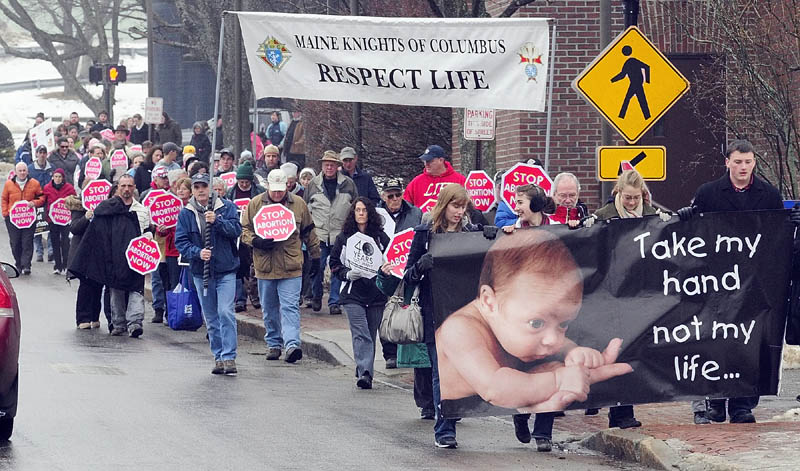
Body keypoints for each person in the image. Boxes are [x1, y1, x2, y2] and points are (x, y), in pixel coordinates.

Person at [435, 229, 634, 424]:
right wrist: (557, 380)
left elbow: (557, 343)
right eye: (536, 323)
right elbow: (495, 389)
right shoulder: (459, 330)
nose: (554, 340)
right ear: (488, 302)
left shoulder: (519, 322)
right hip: (456, 408)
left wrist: (573, 352)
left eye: (563, 324)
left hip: (505, 402)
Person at [678, 139, 783, 425]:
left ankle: (742, 404)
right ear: (727, 162)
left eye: (748, 162)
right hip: (717, 280)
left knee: (748, 341)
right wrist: (687, 217)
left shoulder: (769, 195)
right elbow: (692, 237)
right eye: (737, 161)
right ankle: (716, 400)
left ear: (754, 164)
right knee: (717, 340)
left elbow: (776, 239)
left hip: (753, 282)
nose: (743, 167)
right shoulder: (709, 193)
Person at [580, 169, 671, 430]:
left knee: (634, 352)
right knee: (618, 351)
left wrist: (669, 221)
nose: (631, 203)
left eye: (635, 198)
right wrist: (586, 227)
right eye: (626, 198)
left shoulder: (653, 217)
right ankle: (618, 411)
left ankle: (626, 408)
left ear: (643, 195)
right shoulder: (604, 216)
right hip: (612, 295)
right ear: (617, 194)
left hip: (641, 295)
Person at [402, 183, 480, 449]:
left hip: (462, 313)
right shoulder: (425, 233)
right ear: (444, 205)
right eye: (455, 206)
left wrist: (490, 238)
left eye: (463, 207)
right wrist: (421, 266)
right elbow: (408, 276)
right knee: (440, 372)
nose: (459, 212)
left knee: (459, 371)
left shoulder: (470, 233)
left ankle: (452, 418)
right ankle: (444, 428)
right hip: (434, 311)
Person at [241, 169, 321, 363]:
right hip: (265, 266)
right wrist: (255, 241)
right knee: (269, 308)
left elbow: (309, 231)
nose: (277, 194)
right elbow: (244, 229)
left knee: (290, 307)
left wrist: (316, 256)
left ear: (287, 186)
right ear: (268, 186)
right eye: (274, 190)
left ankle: (292, 345)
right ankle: (274, 343)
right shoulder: (255, 204)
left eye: (280, 190)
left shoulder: (299, 204)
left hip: (291, 264)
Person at [175, 173, 242, 375]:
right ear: (192, 190)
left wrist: (218, 222)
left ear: (211, 188)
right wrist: (197, 253)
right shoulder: (186, 213)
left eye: (204, 186)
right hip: (200, 272)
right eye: (197, 187)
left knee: (225, 312)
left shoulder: (226, 207)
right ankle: (219, 355)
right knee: (211, 317)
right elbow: (181, 242)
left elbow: (236, 230)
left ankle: (230, 357)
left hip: (225, 269)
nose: (201, 190)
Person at [69, 174, 151, 338]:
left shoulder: (141, 210)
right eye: (123, 186)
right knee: (116, 292)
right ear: (118, 187)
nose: (126, 189)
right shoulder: (107, 208)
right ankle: (118, 323)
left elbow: (147, 229)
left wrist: (149, 235)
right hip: (114, 259)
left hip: (136, 259)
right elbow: (98, 234)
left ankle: (135, 323)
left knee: (136, 290)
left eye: (129, 186)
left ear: (134, 187)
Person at [329, 197, 390, 389]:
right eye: (357, 210)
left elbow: (392, 260)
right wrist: (347, 274)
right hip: (352, 294)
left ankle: (363, 366)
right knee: (361, 333)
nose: (361, 213)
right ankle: (365, 373)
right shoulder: (344, 238)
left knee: (370, 334)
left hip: (376, 294)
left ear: (370, 213)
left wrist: (386, 271)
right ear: (353, 213)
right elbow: (334, 263)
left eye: (364, 210)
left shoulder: (381, 238)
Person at [377, 177, 424, 394]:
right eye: (390, 195)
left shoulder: (415, 213)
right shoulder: (378, 216)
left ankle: (405, 346)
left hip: (408, 264)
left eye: (398, 194)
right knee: (388, 307)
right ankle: (390, 352)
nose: (395, 199)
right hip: (387, 265)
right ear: (383, 197)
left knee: (406, 308)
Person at [304, 150, 358, 315]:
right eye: (326, 164)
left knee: (336, 268)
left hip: (340, 234)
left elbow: (356, 207)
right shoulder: (313, 184)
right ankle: (316, 295)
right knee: (317, 267)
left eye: (332, 164)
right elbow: (305, 209)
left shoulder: (348, 184)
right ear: (322, 166)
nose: (329, 167)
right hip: (318, 233)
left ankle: (335, 301)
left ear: (338, 166)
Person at [66, 185, 110, 330]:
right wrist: (86, 217)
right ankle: (82, 318)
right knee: (85, 285)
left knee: (98, 284)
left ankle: (94, 316)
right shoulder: (79, 209)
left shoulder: (106, 208)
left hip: (99, 252)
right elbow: (74, 228)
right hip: (83, 252)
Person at [226, 162, 265, 313]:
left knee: (255, 265)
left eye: (246, 182)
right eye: (241, 181)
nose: (243, 184)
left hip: (256, 232)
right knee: (240, 267)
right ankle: (240, 299)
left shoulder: (259, 191)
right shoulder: (231, 193)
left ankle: (255, 295)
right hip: (238, 234)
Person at [2, 162, 46, 275]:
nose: (22, 173)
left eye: (24, 170)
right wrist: (6, 213)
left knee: (27, 241)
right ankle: (18, 263)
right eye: (20, 171)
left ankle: (26, 265)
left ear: (27, 171)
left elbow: (42, 197)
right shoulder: (8, 184)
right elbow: (4, 199)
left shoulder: (34, 183)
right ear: (16, 172)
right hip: (12, 219)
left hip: (29, 219)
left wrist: (34, 203)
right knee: (15, 242)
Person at [42, 169, 75, 275]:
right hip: (52, 219)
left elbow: (74, 200)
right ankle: (57, 265)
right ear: (53, 177)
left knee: (65, 242)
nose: (57, 179)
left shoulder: (69, 188)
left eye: (60, 177)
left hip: (65, 220)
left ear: (63, 178)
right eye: (56, 176)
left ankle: (66, 265)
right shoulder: (47, 188)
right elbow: (43, 200)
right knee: (55, 242)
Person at [28, 144, 55, 263]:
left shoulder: (52, 167)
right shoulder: (30, 168)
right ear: (36, 154)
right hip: (36, 201)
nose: (42, 155)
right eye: (40, 152)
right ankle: (39, 252)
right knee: (36, 227)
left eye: (44, 152)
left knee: (50, 226)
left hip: (49, 201)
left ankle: (50, 251)